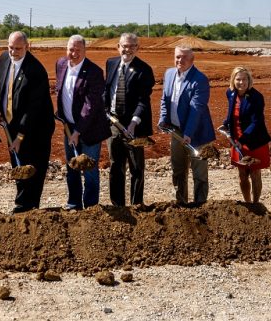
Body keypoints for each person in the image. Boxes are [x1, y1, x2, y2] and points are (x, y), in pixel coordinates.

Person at [0, 31, 55, 212]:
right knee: (18, 163)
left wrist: (20, 137)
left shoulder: (36, 71)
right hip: (13, 123)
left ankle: (29, 207)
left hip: (37, 128)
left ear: (27, 47)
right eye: (11, 47)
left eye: (18, 49)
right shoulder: (4, 58)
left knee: (32, 167)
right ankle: (22, 202)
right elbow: (0, 84)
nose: (13, 52)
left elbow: (32, 109)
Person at [55, 35, 110, 210]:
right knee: (72, 167)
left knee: (89, 169)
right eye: (71, 49)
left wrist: (77, 132)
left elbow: (90, 106)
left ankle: (92, 207)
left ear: (85, 50)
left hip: (90, 128)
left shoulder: (94, 71)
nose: (74, 53)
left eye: (78, 50)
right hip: (69, 127)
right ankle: (74, 204)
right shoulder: (61, 64)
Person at [103, 33, 155, 207]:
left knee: (136, 168)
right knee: (116, 165)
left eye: (132, 46)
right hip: (113, 124)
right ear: (118, 46)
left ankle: (136, 205)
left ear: (137, 48)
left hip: (135, 126)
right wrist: (104, 111)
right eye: (125, 46)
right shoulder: (110, 63)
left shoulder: (144, 70)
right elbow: (107, 89)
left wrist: (133, 123)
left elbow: (143, 100)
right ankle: (118, 205)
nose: (128, 49)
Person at [159, 46, 215, 206]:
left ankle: (200, 207)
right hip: (176, 131)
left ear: (192, 59)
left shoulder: (200, 79)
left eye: (184, 57)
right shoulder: (169, 74)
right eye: (177, 57)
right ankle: (181, 205)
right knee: (178, 171)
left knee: (199, 173)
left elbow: (196, 108)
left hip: (197, 134)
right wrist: (163, 119)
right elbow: (165, 99)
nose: (180, 60)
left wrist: (188, 133)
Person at [221, 66, 271, 204]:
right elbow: (232, 112)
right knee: (242, 175)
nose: (241, 82)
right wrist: (226, 123)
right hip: (237, 140)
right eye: (238, 79)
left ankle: (256, 204)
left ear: (249, 81)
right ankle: (248, 203)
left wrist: (242, 140)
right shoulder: (230, 93)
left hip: (255, 140)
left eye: (244, 79)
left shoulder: (257, 97)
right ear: (233, 80)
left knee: (255, 173)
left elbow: (256, 121)